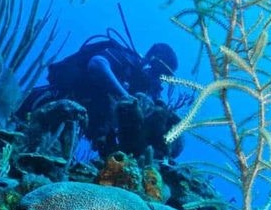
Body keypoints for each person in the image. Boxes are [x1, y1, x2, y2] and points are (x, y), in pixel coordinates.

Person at [20, 32, 182, 158]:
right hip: (56, 101)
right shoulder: (127, 60)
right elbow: (97, 63)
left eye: (166, 75)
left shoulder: (148, 88)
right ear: (150, 60)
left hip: (83, 124)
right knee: (22, 130)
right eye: (160, 70)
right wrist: (125, 95)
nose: (160, 77)